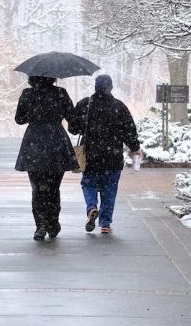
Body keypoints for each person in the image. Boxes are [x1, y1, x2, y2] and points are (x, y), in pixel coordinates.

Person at [70, 73, 141, 235]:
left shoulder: (85, 104)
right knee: (110, 189)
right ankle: (105, 223)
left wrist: (85, 125)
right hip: (112, 157)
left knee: (88, 184)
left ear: (95, 87)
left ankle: (91, 207)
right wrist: (134, 147)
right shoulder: (119, 106)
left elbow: (72, 128)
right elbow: (129, 131)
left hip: (91, 155)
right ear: (110, 88)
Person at [14, 75, 79, 240]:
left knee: (37, 189)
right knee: (53, 188)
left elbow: (19, 120)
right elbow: (72, 118)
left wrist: (33, 112)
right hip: (56, 142)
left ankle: (40, 225)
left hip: (34, 144)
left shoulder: (28, 94)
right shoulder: (60, 93)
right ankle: (53, 223)